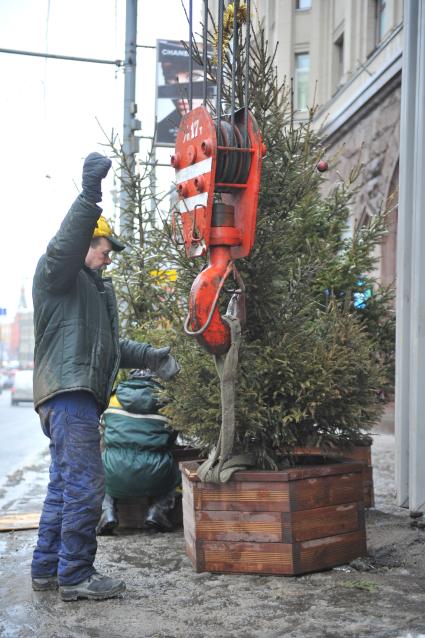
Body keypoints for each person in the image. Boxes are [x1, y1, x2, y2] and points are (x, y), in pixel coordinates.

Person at [31, 152, 180, 602]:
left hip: (73, 396)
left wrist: (154, 357)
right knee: (85, 486)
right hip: (69, 392)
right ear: (86, 243)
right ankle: (77, 575)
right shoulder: (58, 274)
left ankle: (47, 568)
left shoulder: (92, 293)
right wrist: (91, 193)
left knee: (63, 485)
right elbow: (68, 239)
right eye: (104, 248)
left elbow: (113, 349)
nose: (109, 258)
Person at [96, 369, 181, 536]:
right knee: (179, 476)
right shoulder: (166, 402)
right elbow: (171, 439)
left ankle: (107, 512)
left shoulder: (112, 399)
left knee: (98, 472)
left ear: (130, 378)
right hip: (155, 473)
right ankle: (158, 511)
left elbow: (103, 432)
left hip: (115, 471)